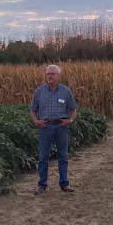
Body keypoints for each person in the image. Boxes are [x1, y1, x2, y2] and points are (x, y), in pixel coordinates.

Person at [29, 65, 78, 194]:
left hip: (61, 127)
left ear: (58, 76)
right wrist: (36, 121)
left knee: (63, 156)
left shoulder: (66, 91)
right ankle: (42, 185)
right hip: (45, 127)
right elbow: (33, 109)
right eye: (48, 74)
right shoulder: (39, 92)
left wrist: (70, 120)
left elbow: (73, 109)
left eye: (52, 74)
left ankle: (64, 183)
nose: (50, 76)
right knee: (43, 157)